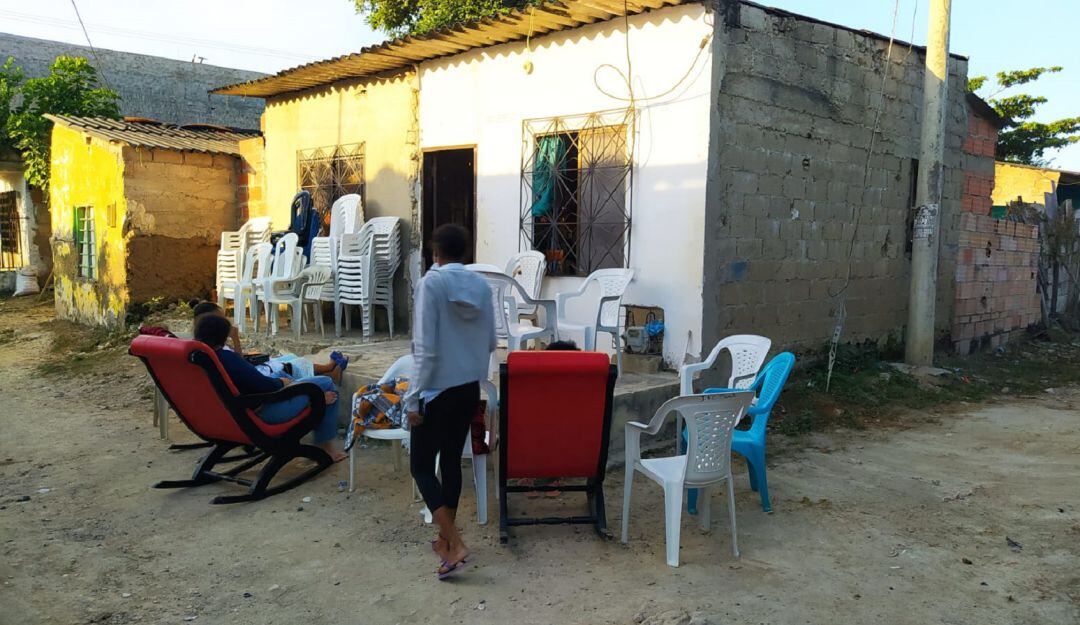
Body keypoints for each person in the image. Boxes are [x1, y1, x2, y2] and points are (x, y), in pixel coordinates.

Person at [406, 224, 496, 580]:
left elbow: (425, 349)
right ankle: (445, 541)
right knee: (450, 463)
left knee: (421, 467)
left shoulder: (432, 283)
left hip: (436, 391)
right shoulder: (481, 286)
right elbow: (490, 341)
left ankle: (455, 543)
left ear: (435, 253)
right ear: (465, 252)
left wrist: (412, 398)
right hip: (468, 388)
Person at [193, 313, 347, 462]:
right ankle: (326, 445)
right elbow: (263, 386)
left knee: (290, 377)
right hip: (262, 412)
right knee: (326, 384)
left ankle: (312, 396)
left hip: (227, 414)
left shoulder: (196, 359)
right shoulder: (226, 358)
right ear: (223, 336)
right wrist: (281, 383)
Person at [190, 300, 348, 384]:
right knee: (288, 364)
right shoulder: (219, 352)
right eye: (222, 319)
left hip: (247, 377)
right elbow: (238, 363)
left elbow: (237, 361)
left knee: (287, 358)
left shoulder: (206, 346)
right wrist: (235, 339)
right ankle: (329, 371)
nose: (226, 321)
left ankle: (328, 372)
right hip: (260, 384)